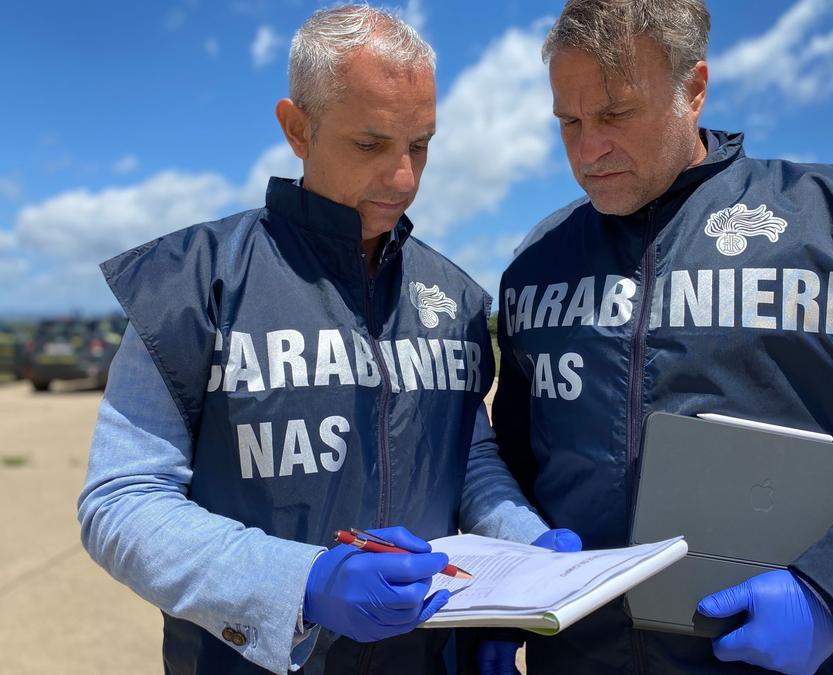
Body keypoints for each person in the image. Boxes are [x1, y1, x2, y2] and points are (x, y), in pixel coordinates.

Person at [76, 6, 577, 674]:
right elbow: (121, 501)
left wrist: (530, 548)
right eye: (370, 144)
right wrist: (303, 581)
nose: (404, 178)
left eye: (421, 144)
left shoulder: (453, 298)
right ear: (297, 128)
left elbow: (467, 461)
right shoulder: (193, 286)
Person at [482, 0, 833, 673]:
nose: (589, 150)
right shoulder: (536, 264)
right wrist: (500, 594)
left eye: (615, 114)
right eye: (570, 121)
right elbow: (511, 460)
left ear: (694, 88)